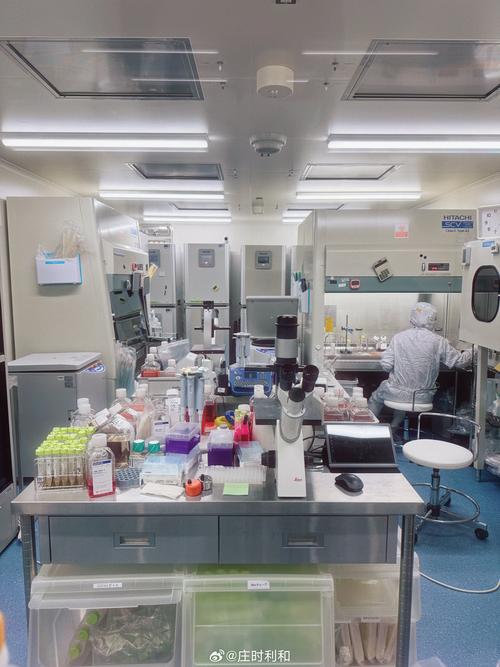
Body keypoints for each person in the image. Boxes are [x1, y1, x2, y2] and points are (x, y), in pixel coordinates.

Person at [368, 302, 473, 427]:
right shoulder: (439, 341)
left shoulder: (398, 338)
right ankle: (395, 426)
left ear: (412, 318)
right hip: (423, 397)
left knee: (377, 396)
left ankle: (369, 427)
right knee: (401, 394)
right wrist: (475, 349)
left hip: (396, 394)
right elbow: (460, 362)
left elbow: (386, 366)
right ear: (432, 319)